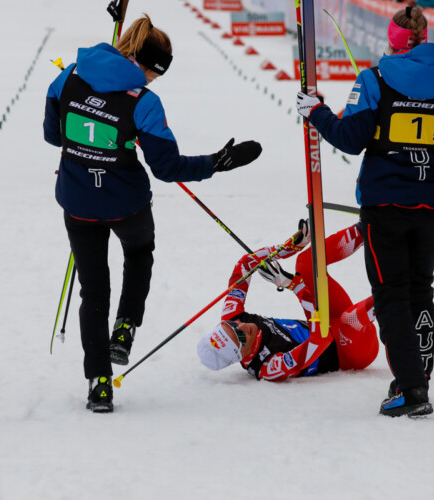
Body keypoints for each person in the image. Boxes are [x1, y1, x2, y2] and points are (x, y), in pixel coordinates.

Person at [43, 14, 262, 413]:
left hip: (78, 202)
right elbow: (167, 168)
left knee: (93, 290)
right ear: (145, 64)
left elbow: (53, 134)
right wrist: (219, 161)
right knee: (139, 252)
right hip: (126, 204)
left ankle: (99, 384)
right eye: (153, 73)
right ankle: (125, 327)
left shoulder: (69, 75)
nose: (153, 82)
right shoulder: (144, 101)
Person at [295, 5, 434, 417]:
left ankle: (413, 388)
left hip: (385, 205)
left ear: (393, 42)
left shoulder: (375, 79)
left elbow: (349, 138)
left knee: (391, 296)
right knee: (420, 290)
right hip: (430, 204)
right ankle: (416, 373)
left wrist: (316, 112)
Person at [197, 222, 380, 381]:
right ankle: (400, 290)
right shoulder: (268, 367)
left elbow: (244, 266)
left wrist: (289, 248)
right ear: (239, 356)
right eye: (241, 338)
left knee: (305, 263)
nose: (242, 326)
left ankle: (370, 227)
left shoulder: (235, 316)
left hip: (327, 321)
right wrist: (295, 286)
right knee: (350, 319)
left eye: (232, 325)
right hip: (348, 352)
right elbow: (320, 339)